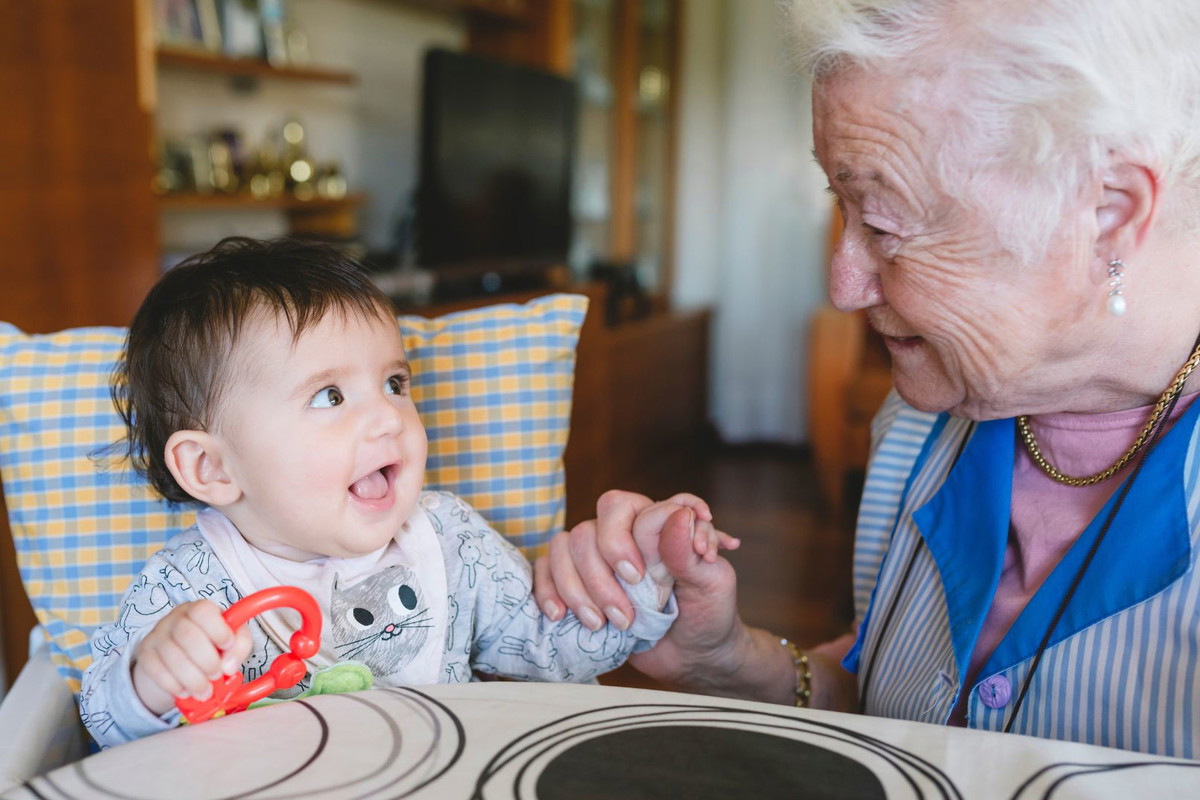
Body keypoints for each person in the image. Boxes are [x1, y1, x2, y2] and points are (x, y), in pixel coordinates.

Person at [532, 0, 1200, 759]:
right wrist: (724, 658)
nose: (844, 283)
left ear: (1108, 212)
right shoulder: (919, 418)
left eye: (883, 224)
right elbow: (894, 704)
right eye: (838, 204)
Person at [78, 237, 720, 749]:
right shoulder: (185, 587)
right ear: (212, 468)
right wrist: (150, 681)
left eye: (394, 383)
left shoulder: (446, 538)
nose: (389, 418)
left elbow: (552, 651)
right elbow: (104, 726)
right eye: (330, 396)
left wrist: (643, 573)